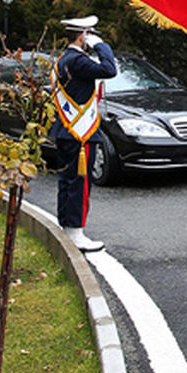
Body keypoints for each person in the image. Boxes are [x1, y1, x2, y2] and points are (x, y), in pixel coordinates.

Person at [49, 15, 117, 252]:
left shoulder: (64, 59)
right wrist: (101, 46)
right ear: (83, 36)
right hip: (79, 134)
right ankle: (76, 232)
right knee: (80, 182)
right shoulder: (78, 60)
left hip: (66, 131)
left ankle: (67, 226)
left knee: (67, 181)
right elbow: (109, 70)